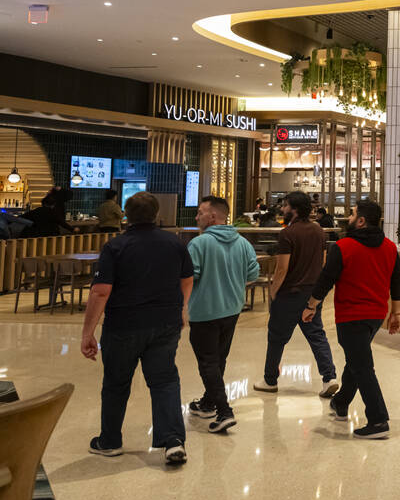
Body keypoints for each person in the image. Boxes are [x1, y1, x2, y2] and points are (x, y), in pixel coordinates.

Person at [80, 191, 192, 465]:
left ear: (126, 215)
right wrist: (180, 308)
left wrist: (88, 332)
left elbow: (100, 292)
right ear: (156, 215)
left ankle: (110, 441)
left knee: (116, 383)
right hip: (166, 324)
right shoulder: (174, 243)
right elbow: (187, 279)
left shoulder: (116, 247)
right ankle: (173, 440)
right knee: (164, 379)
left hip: (124, 325)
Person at [303, 199, 400, 440]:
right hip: (375, 316)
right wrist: (396, 312)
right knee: (356, 360)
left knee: (362, 366)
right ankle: (341, 402)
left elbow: (326, 279)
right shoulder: (390, 247)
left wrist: (311, 305)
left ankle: (378, 420)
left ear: (360, 221)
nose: (348, 218)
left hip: (350, 315)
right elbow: (397, 283)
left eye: (352, 215)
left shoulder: (343, 246)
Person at [185, 195, 259, 433]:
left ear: (213, 216)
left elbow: (189, 277)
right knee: (219, 359)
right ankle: (208, 403)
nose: (197, 217)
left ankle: (224, 411)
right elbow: (253, 274)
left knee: (207, 362)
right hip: (232, 309)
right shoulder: (243, 243)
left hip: (204, 311)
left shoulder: (199, 244)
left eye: (200, 212)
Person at [254, 191, 338, 397]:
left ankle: (270, 379)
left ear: (295, 209)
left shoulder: (288, 234)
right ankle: (329, 378)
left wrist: (273, 291)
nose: (282, 209)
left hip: (289, 293)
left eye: (285, 206)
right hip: (311, 292)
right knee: (316, 334)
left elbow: (282, 268)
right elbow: (324, 263)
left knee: (277, 337)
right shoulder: (320, 232)